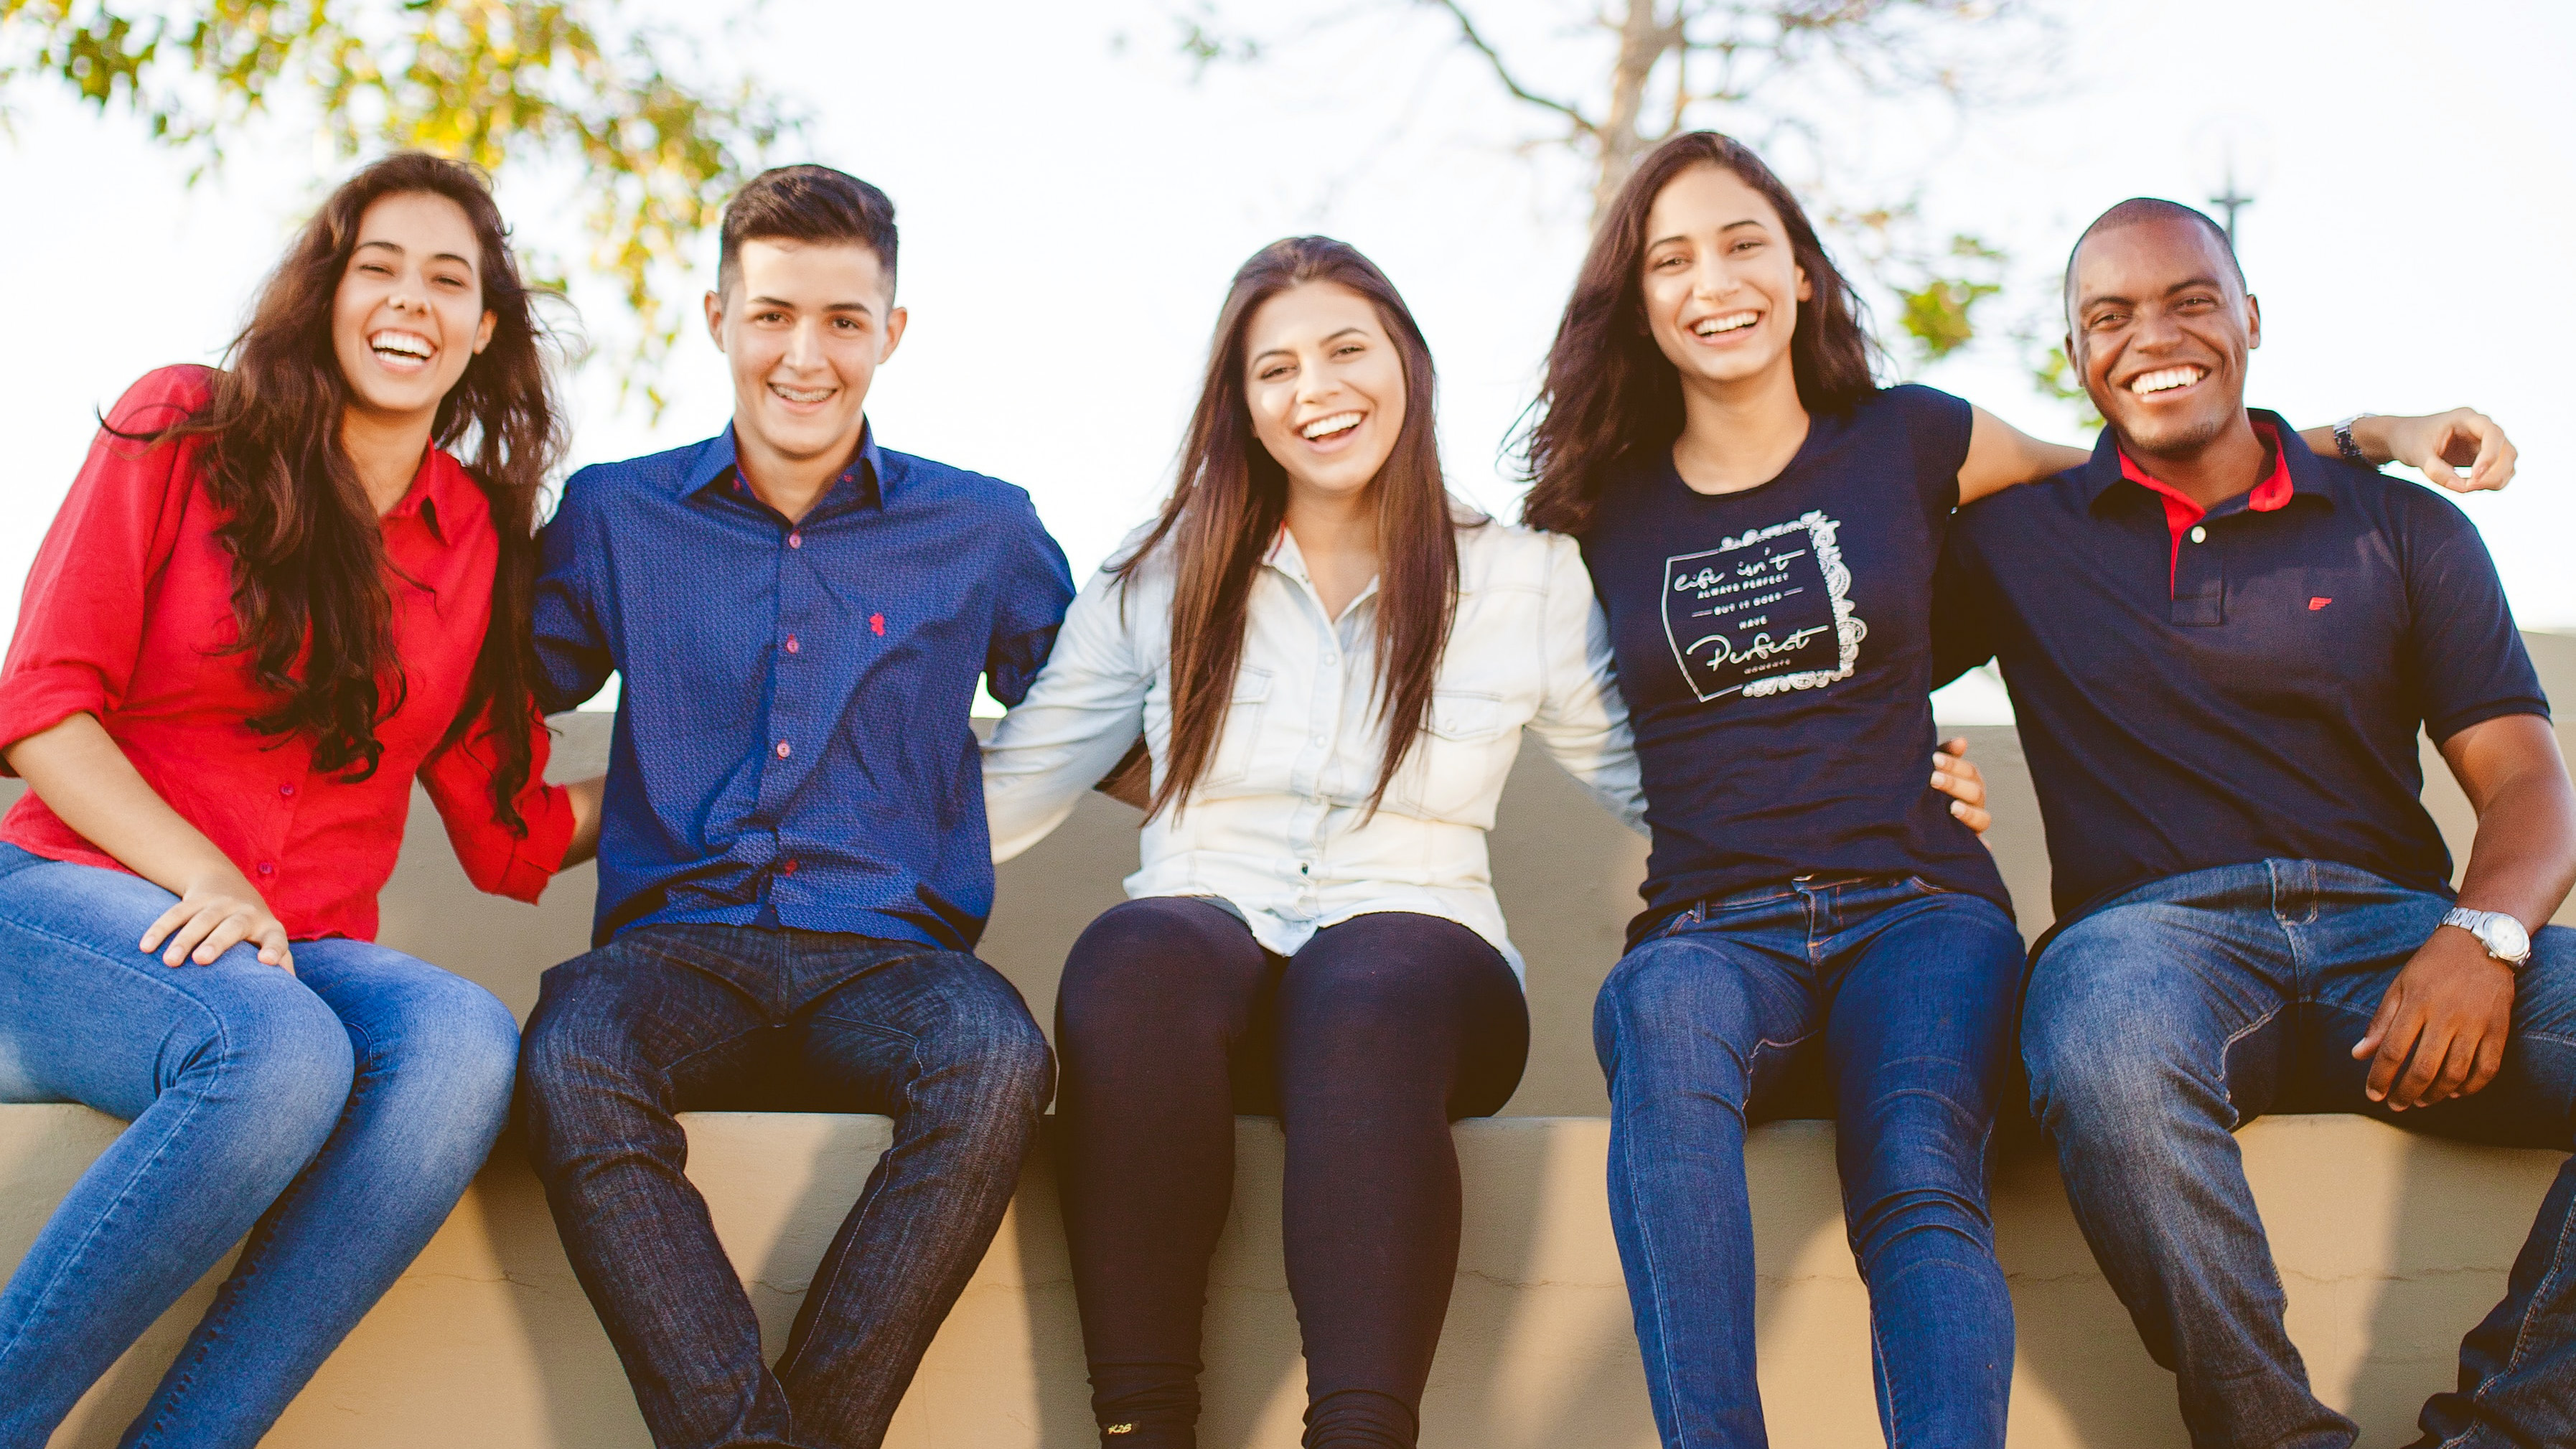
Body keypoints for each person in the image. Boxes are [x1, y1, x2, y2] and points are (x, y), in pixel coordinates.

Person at [1517, 131, 2506, 1449]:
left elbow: (2150, 459)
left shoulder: (1916, 439)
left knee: (1920, 1168)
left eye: (1747, 242)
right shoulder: (1600, 506)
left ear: (1803, 272)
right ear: (1635, 298)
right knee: (1663, 1030)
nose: (1716, 280)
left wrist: (2361, 437)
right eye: (1673, 257)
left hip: (1936, 907)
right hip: (1759, 924)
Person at [979, 236, 1987, 1449]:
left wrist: (1879, 781)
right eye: (1275, 369)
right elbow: (1019, 781)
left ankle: (1357, 1434)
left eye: (1347, 350)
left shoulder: (1520, 580)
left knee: (1368, 977)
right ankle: (1144, 1432)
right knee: (1131, 952)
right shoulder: (1159, 577)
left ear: (1405, 362)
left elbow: (1668, 773)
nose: (1317, 391)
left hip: (1423, 980)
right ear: (1239, 405)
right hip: (1206, 975)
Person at [1935, 197, 2569, 1449]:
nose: (2149, 336)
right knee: (2099, 1040)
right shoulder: (2010, 541)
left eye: (2187, 299)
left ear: (2249, 319)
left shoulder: (2400, 523)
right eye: (2107, 317)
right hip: (2148, 949)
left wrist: (2482, 937)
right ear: (2075, 359)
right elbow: (1837, 668)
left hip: (2396, 945)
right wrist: (1909, 757)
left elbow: (2528, 784)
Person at [0, 153, 600, 1447]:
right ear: (327, 294)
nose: (409, 301)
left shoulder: (479, 535)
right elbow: (41, 705)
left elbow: (512, 834)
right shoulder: (185, 426)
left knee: (458, 1047)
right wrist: (203, 874)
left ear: (483, 329)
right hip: (69, 902)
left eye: (449, 280)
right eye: (377, 267)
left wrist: (724, 778)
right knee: (274, 1051)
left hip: (296, 947)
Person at [515, 164, 1074, 1449]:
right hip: (675, 952)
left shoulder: (983, 528)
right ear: (717, 319)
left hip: (894, 960)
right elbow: (481, 695)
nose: (802, 354)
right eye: (770, 314)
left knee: (995, 1062)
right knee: (569, 1052)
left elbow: (1109, 723)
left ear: (891, 331)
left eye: (840, 319)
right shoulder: (614, 513)